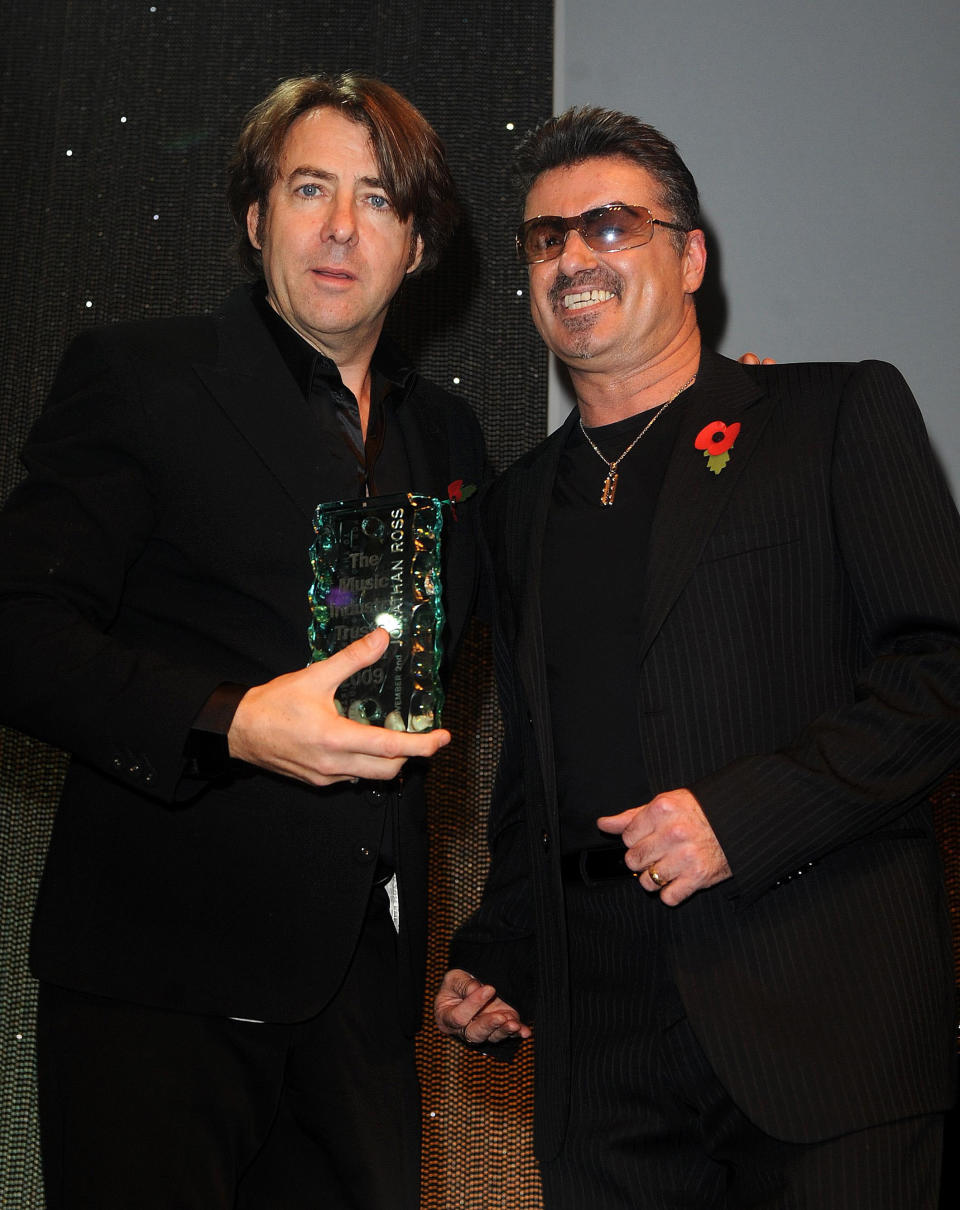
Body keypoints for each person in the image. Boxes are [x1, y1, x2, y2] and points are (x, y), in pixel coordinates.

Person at [436, 105, 960, 1209]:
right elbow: (540, 767)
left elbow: (940, 670)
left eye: (611, 225)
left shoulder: (832, 412)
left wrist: (743, 816)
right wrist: (504, 949)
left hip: (821, 1023)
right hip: (604, 1065)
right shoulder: (515, 505)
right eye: (545, 236)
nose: (574, 255)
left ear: (690, 255)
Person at [0, 72, 487, 1209]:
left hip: (361, 1001)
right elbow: (14, 628)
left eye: (378, 199)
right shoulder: (141, 375)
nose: (338, 227)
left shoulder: (450, 435)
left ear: (416, 245)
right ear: (255, 216)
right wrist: (231, 719)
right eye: (309, 187)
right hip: (155, 987)